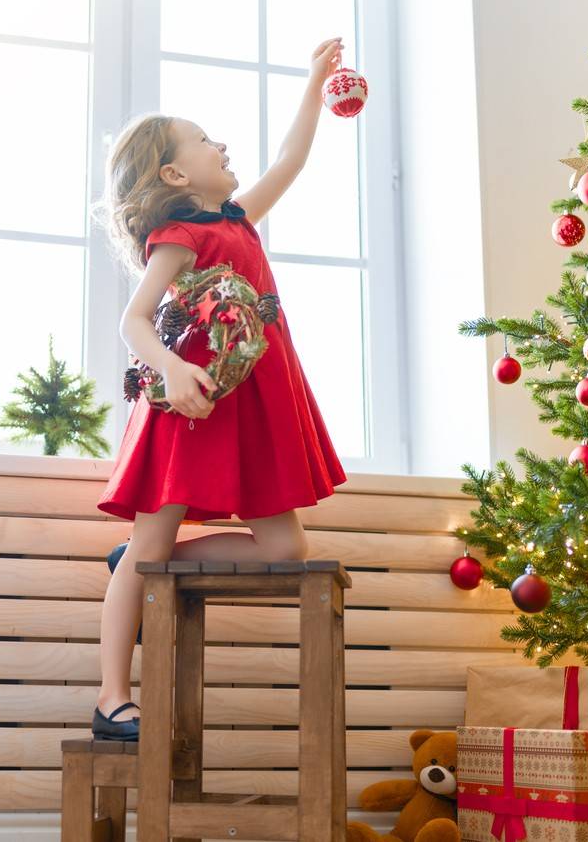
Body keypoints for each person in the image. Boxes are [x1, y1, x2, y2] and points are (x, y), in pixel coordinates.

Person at [91, 38, 349, 741]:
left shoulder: (237, 218)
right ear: (175, 172)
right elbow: (134, 319)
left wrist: (312, 84)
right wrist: (173, 370)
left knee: (285, 550)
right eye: (206, 141)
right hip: (191, 406)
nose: (222, 145)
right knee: (148, 543)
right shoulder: (181, 233)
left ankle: (150, 563)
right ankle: (113, 698)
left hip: (251, 399)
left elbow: (289, 161)